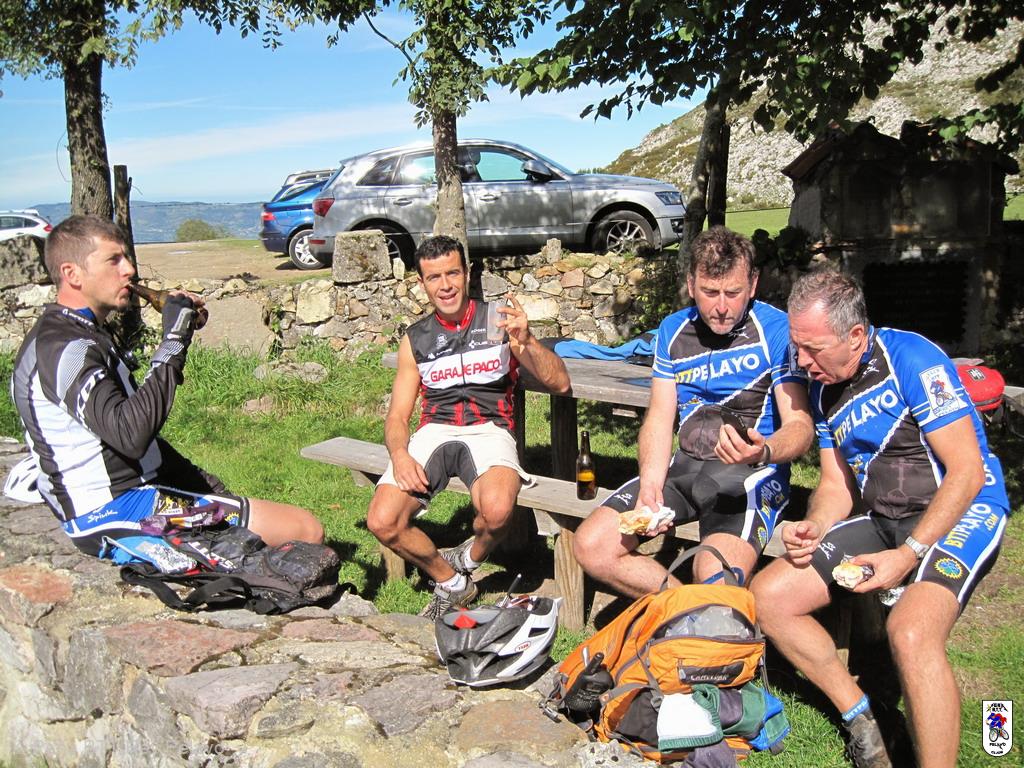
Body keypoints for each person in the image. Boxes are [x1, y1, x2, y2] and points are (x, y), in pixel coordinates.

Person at [750, 269, 1009, 768]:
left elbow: (968, 472)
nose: (801, 362)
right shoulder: (822, 385)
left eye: (812, 349)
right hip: (885, 516)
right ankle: (863, 717)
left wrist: (908, 555)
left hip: (963, 509)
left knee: (910, 633)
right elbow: (835, 485)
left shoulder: (913, 358)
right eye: (797, 348)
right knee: (769, 597)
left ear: (854, 335)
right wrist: (816, 525)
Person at [10, 214, 324, 557]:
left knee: (284, 527)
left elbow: (130, 434)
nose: (129, 269)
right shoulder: (64, 348)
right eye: (113, 260)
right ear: (72, 274)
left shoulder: (77, 331)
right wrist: (174, 338)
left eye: (126, 257)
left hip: (133, 491)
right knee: (304, 530)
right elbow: (130, 434)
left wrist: (203, 485)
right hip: (109, 512)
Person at [573, 226, 814, 594]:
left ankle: (706, 610)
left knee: (713, 575)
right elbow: (659, 417)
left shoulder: (777, 331)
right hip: (683, 469)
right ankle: (687, 609)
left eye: (733, 293)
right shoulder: (673, 330)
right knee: (592, 546)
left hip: (750, 476)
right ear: (690, 284)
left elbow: (800, 425)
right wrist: (650, 485)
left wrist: (764, 450)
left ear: (753, 284)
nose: (722, 307)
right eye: (710, 292)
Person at [367, 235, 570, 618]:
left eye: (453, 273)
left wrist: (527, 341)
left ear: (467, 273)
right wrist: (399, 454)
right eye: (434, 277)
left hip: (490, 429)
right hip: (435, 431)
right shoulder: (415, 339)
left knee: (496, 511)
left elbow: (560, 383)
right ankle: (452, 582)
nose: (445, 285)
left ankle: (469, 558)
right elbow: (396, 417)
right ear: (421, 283)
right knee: (382, 520)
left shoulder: (499, 320)